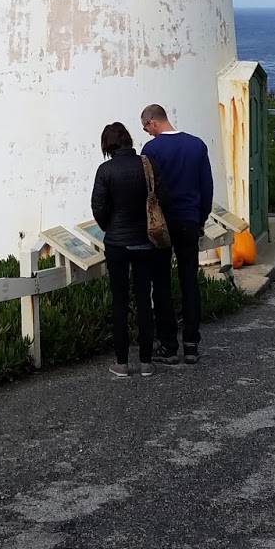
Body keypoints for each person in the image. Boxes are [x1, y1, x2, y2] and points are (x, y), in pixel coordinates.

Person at [91, 122, 173, 379]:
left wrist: (111, 228)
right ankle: (147, 362)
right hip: (145, 243)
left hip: (116, 244)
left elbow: (99, 208)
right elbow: (164, 198)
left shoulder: (105, 170)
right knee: (143, 301)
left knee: (120, 303)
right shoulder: (147, 165)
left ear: (108, 145)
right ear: (128, 140)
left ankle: (122, 363)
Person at [141, 103, 213, 365]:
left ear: (152, 122)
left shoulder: (152, 149)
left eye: (146, 128)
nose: (147, 134)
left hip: (163, 224)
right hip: (190, 219)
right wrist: (201, 217)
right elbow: (207, 187)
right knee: (189, 281)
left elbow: (148, 190)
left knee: (160, 282)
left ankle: (169, 347)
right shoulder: (197, 145)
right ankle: (191, 345)